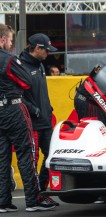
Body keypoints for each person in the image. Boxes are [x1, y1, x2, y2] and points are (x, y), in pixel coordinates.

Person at [0, 24, 55, 212]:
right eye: (9, 40)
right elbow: (25, 82)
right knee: (27, 154)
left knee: (3, 156)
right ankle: (33, 199)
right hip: (15, 109)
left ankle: (3, 201)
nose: (11, 43)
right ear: (2, 39)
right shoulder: (10, 60)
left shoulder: (35, 63)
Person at [20, 33, 59, 207]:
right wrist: (34, 110)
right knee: (32, 162)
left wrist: (48, 109)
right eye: (46, 50)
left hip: (45, 121)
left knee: (52, 156)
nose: (48, 53)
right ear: (37, 48)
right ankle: (34, 198)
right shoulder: (20, 67)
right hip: (32, 124)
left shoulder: (40, 65)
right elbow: (18, 96)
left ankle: (41, 193)